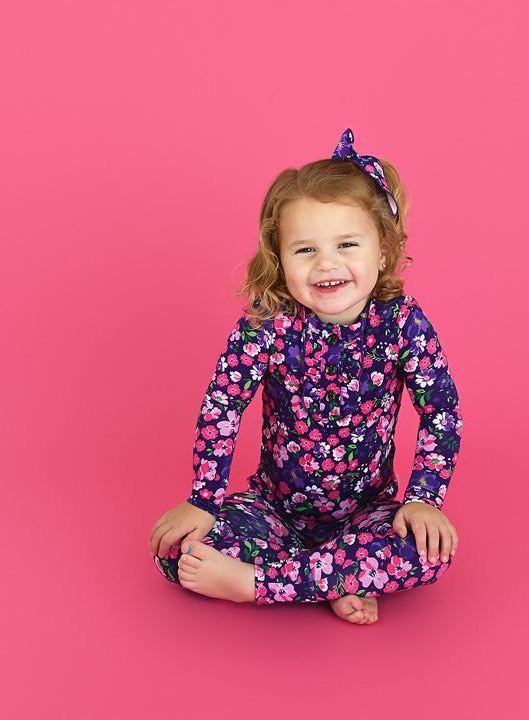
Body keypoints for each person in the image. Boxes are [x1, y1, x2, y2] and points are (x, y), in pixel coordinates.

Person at [149, 129, 462, 625]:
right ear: (279, 259)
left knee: (429, 554)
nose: (327, 263)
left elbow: (441, 411)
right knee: (178, 552)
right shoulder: (266, 325)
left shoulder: (403, 322)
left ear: (383, 251)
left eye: (347, 244)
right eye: (305, 250)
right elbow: (222, 408)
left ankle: (259, 584)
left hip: (368, 513)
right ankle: (338, 579)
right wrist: (204, 501)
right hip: (272, 511)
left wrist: (425, 499)